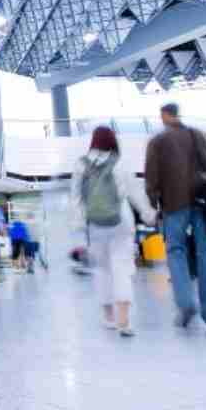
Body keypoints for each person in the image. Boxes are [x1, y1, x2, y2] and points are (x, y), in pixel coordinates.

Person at [145, 102, 206, 330]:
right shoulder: (199, 135)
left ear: (164, 115)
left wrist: (153, 203)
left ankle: (185, 303)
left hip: (174, 205)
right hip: (204, 202)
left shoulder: (157, 142)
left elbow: (151, 178)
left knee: (176, 251)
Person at [71, 126, 153, 336]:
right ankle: (124, 321)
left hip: (95, 224)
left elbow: (76, 199)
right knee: (122, 267)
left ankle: (109, 317)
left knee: (102, 269)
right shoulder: (120, 162)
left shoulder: (81, 165)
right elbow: (135, 192)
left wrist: (80, 225)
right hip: (121, 220)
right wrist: (147, 213)